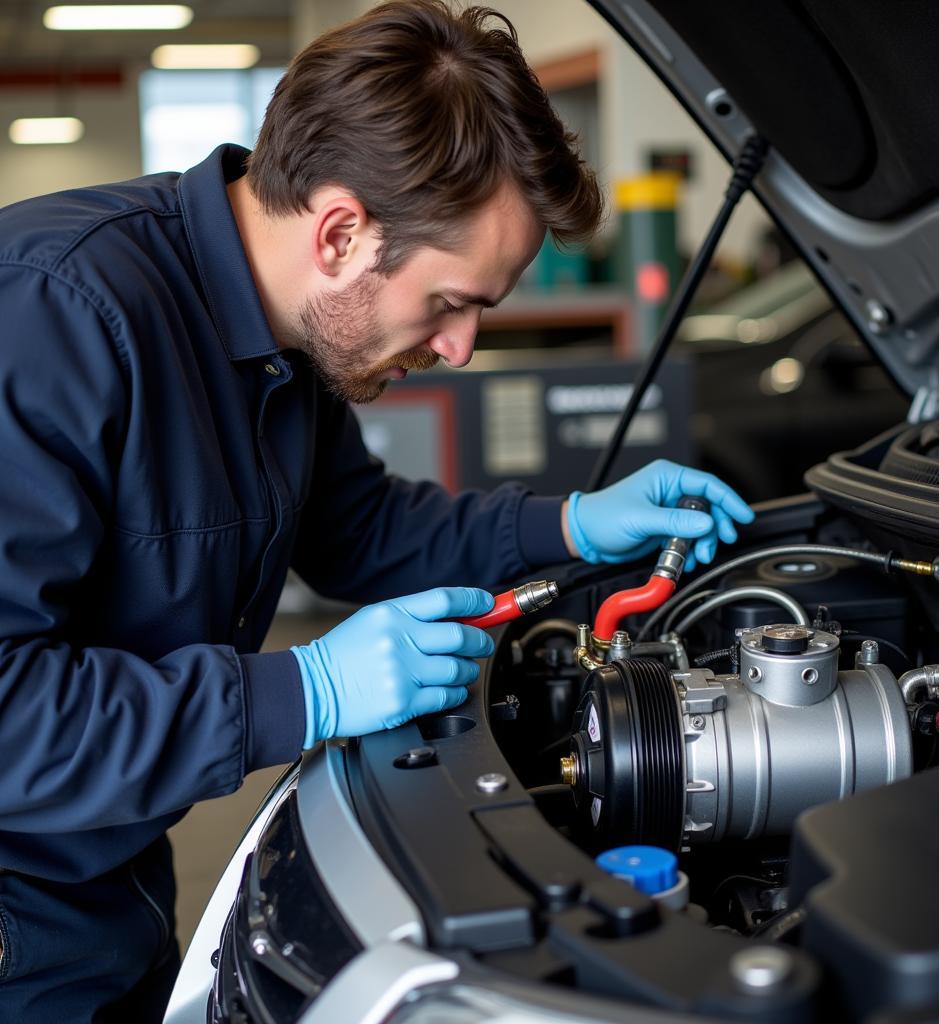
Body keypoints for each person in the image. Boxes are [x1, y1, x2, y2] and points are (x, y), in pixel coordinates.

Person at [0, 1, 753, 1019]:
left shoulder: (290, 342)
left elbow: (358, 530)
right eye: (451, 302)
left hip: (107, 876)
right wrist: (300, 692)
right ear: (342, 231)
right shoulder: (55, 316)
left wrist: (571, 526)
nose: (459, 349)